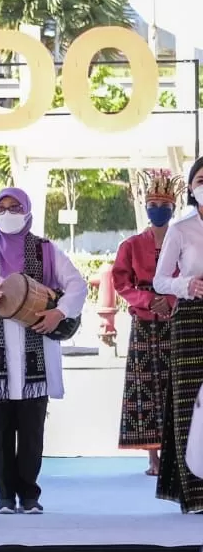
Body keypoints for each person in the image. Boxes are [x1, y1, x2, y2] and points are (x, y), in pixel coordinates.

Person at [0, 187, 88, 515]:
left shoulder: (46, 250)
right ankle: (5, 495)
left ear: (27, 210)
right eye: (1, 207)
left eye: (14, 207)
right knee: (0, 429)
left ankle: (30, 494)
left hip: (36, 352)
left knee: (32, 429)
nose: (7, 213)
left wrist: (59, 312)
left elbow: (77, 285)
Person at [115, 169, 180, 477]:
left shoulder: (184, 240)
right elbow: (121, 281)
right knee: (145, 387)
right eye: (152, 203)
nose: (157, 209)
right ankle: (152, 457)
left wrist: (168, 301)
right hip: (143, 321)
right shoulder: (130, 245)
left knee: (174, 384)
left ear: (174, 207)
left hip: (175, 319)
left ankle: (174, 453)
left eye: (163, 204)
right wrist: (145, 300)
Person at [155, 155, 203, 513]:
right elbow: (159, 280)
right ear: (190, 187)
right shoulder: (181, 229)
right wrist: (188, 285)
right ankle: (196, 493)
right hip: (190, 320)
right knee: (191, 403)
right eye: (200, 179)